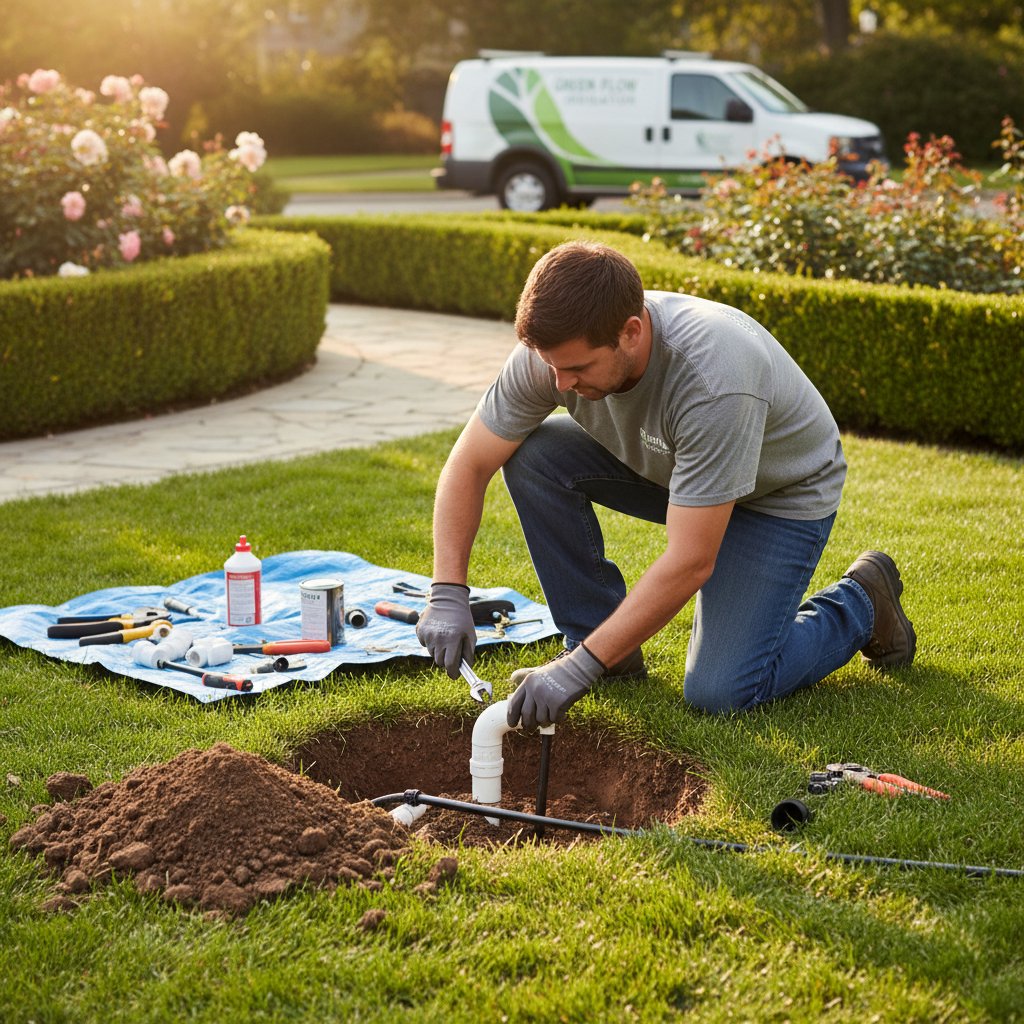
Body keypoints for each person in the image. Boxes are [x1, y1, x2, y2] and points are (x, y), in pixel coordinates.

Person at [415, 241, 915, 730]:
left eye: (578, 368)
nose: (560, 383)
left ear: (631, 332)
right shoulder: (553, 356)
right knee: (533, 453)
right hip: (676, 466)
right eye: (552, 367)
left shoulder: (714, 377)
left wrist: (578, 668)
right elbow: (469, 464)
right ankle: (604, 646)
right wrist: (447, 589)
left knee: (722, 693)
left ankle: (862, 602)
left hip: (777, 494)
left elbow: (691, 559)